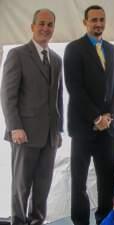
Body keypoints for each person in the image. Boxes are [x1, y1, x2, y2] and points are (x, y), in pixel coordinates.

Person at [1, 9, 63, 225]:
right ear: (32, 26)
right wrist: (14, 127)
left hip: (49, 135)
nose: (46, 28)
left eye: (50, 25)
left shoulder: (56, 59)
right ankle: (18, 221)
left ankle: (37, 221)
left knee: (43, 185)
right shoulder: (17, 55)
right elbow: (7, 96)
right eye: (42, 23)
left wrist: (59, 130)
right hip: (24, 133)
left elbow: (58, 99)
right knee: (21, 185)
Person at [64, 5, 114, 225]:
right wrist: (96, 118)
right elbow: (74, 88)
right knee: (78, 181)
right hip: (82, 127)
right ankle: (80, 221)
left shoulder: (113, 50)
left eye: (102, 19)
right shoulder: (73, 48)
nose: (98, 23)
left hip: (108, 129)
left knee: (108, 180)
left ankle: (105, 220)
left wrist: (110, 117)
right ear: (85, 22)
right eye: (94, 20)